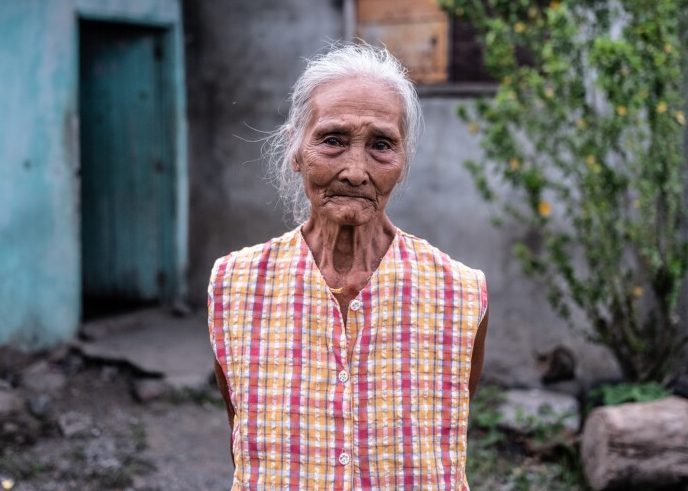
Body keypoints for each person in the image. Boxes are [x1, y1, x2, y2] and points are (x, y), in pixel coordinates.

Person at [208, 42, 489, 490]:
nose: (356, 171)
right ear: (296, 149)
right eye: (333, 140)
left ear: (402, 161)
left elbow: (445, 439)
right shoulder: (235, 286)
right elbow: (244, 440)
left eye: (381, 145)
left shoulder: (459, 294)